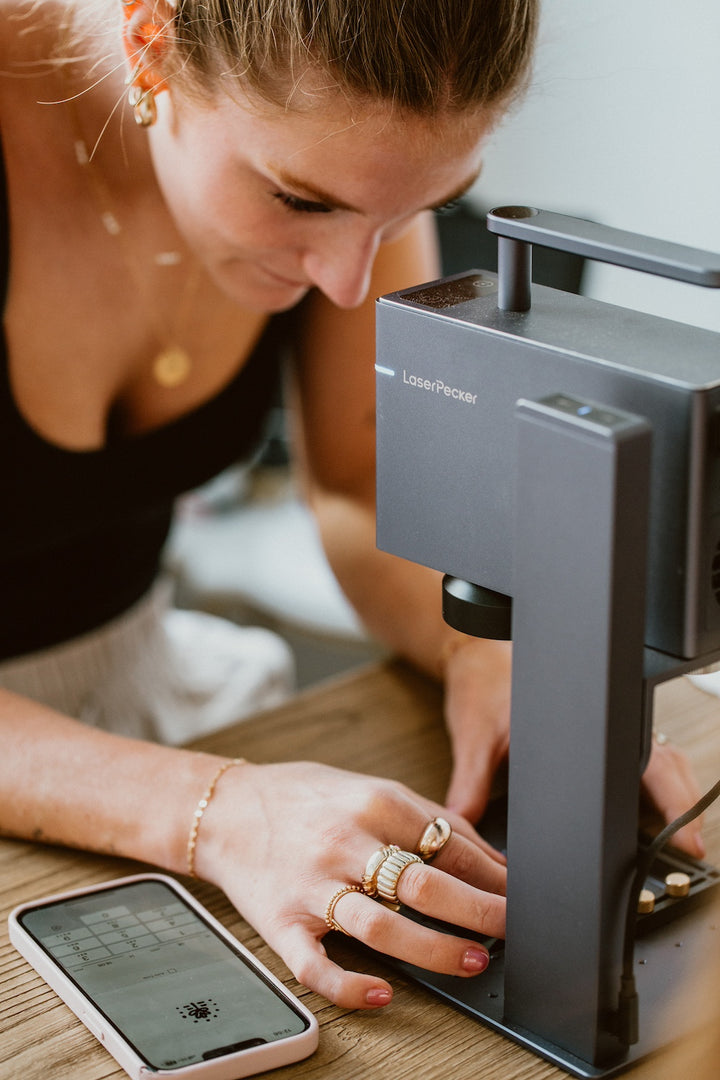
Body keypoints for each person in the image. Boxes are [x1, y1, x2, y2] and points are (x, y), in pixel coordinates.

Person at [0, 0, 704, 1011]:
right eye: (302, 201)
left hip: (147, 697)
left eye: (413, 211)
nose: (349, 285)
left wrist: (493, 657)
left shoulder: (347, 184)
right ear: (151, 45)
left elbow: (364, 485)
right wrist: (222, 811)